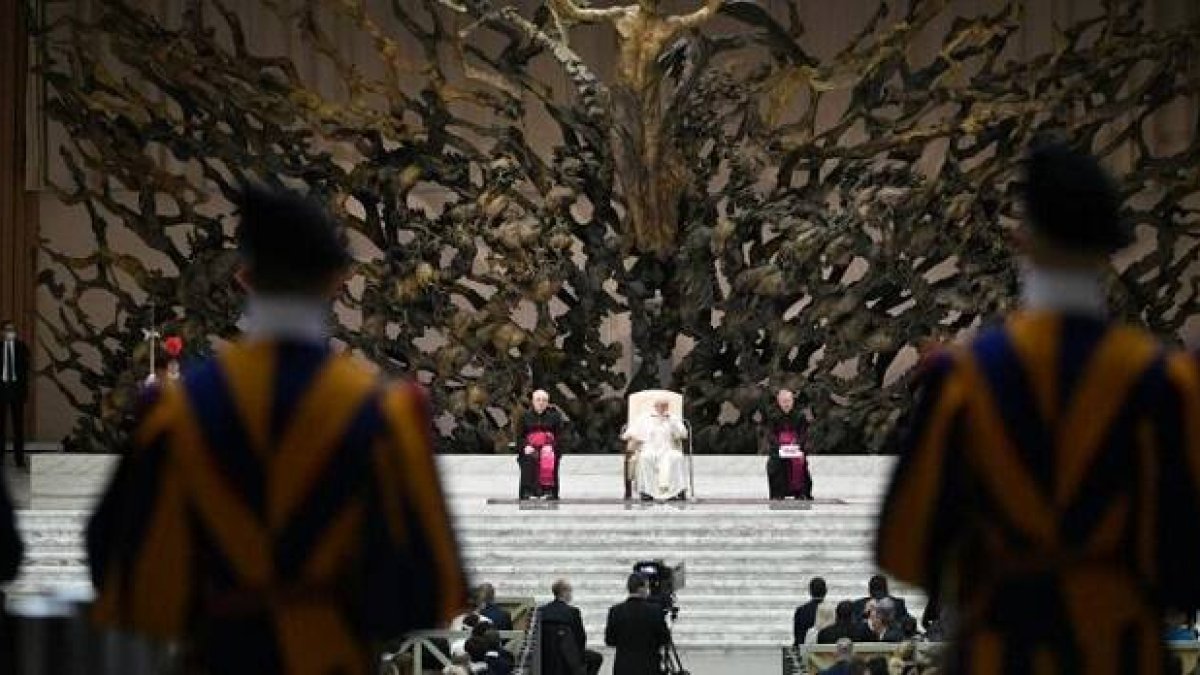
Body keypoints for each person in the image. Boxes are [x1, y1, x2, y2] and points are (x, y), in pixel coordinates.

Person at [86, 184, 470, 674]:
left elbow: (116, 563)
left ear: (244, 278)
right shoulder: (382, 415)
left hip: (218, 656)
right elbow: (427, 589)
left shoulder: (177, 413)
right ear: (337, 280)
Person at [876, 141, 1200, 674]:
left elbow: (904, 546)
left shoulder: (966, 380)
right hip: (1120, 652)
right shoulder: (1164, 383)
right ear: (1107, 248)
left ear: (1023, 241)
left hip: (1000, 652)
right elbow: (1186, 560)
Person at [621, 398, 688, 501]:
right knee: (645, 457)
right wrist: (635, 437)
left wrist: (672, 423)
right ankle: (647, 491)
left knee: (677, 457)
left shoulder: (673, 418)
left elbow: (683, 434)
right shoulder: (644, 418)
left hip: (668, 448)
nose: (662, 408)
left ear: (667, 407)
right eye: (659, 406)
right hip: (649, 447)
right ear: (655, 407)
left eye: (664, 406)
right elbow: (628, 433)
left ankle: (676, 491)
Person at [605, 573, 670, 675]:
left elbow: (610, 641)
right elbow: (664, 639)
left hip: (623, 667)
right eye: (647, 587)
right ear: (642, 588)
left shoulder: (615, 611)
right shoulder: (655, 610)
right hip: (649, 667)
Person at [541, 579, 603, 675]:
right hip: (568, 658)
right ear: (565, 592)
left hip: (546, 656)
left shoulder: (542, 611)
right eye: (570, 591)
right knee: (597, 658)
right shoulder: (573, 612)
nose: (571, 594)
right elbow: (580, 638)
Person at [763, 389, 813, 499]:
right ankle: (778, 494)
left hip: (796, 447)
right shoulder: (772, 415)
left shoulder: (800, 416)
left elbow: (803, 433)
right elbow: (770, 434)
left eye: (788, 401)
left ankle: (801, 493)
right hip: (778, 448)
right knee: (775, 465)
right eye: (784, 401)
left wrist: (797, 445)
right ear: (779, 401)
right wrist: (780, 446)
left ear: (792, 401)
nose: (786, 404)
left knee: (800, 462)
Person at [517, 390, 565, 500]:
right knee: (530, 457)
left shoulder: (555, 417)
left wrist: (552, 447)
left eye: (544, 400)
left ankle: (548, 491)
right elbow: (519, 436)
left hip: (549, 448)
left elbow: (560, 437)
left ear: (548, 403)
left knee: (548, 456)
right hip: (530, 448)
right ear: (533, 402)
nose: (541, 403)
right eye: (538, 400)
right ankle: (528, 491)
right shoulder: (524, 416)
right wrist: (525, 446)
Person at [0, 320, 30, 471]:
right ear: (2, 332)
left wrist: (24, 392)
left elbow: (25, 373)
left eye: (13, 329)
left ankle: (19, 460)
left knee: (18, 428)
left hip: (17, 392)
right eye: (7, 329)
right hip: (1, 391)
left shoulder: (22, 347)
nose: (10, 332)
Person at [794, 576, 827, 645]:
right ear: (825, 591)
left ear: (810, 591)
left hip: (805, 650)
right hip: (826, 653)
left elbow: (797, 636)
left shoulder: (801, 611)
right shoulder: (833, 611)